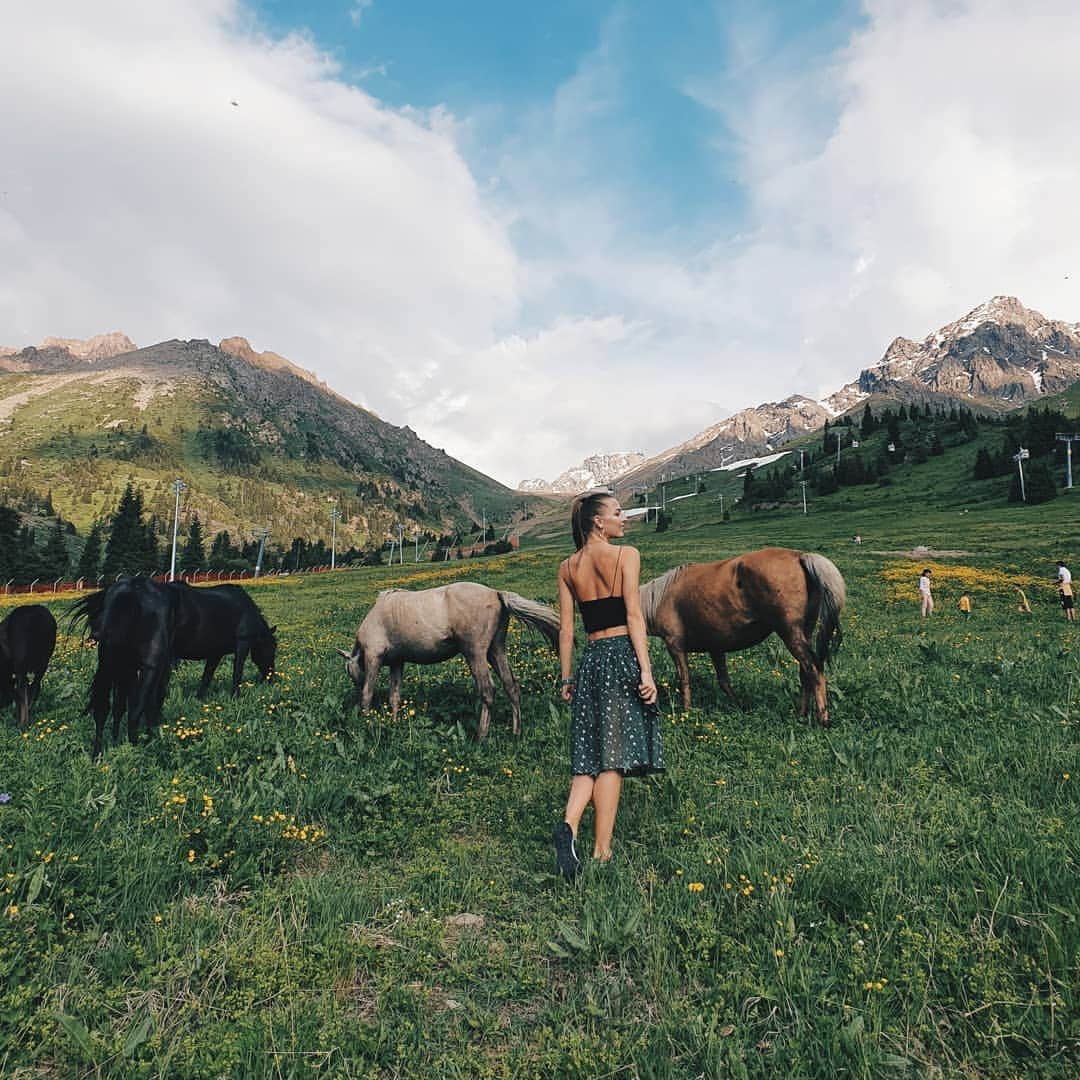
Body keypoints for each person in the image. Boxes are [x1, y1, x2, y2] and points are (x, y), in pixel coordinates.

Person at [552, 491, 664, 879]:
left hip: (591, 660)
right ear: (598, 522)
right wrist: (646, 671)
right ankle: (602, 853)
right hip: (620, 657)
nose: (624, 519)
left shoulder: (567, 567)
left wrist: (567, 676)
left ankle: (568, 825)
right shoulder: (625, 556)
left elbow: (567, 630)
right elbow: (634, 615)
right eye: (618, 513)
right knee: (612, 759)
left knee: (588, 756)